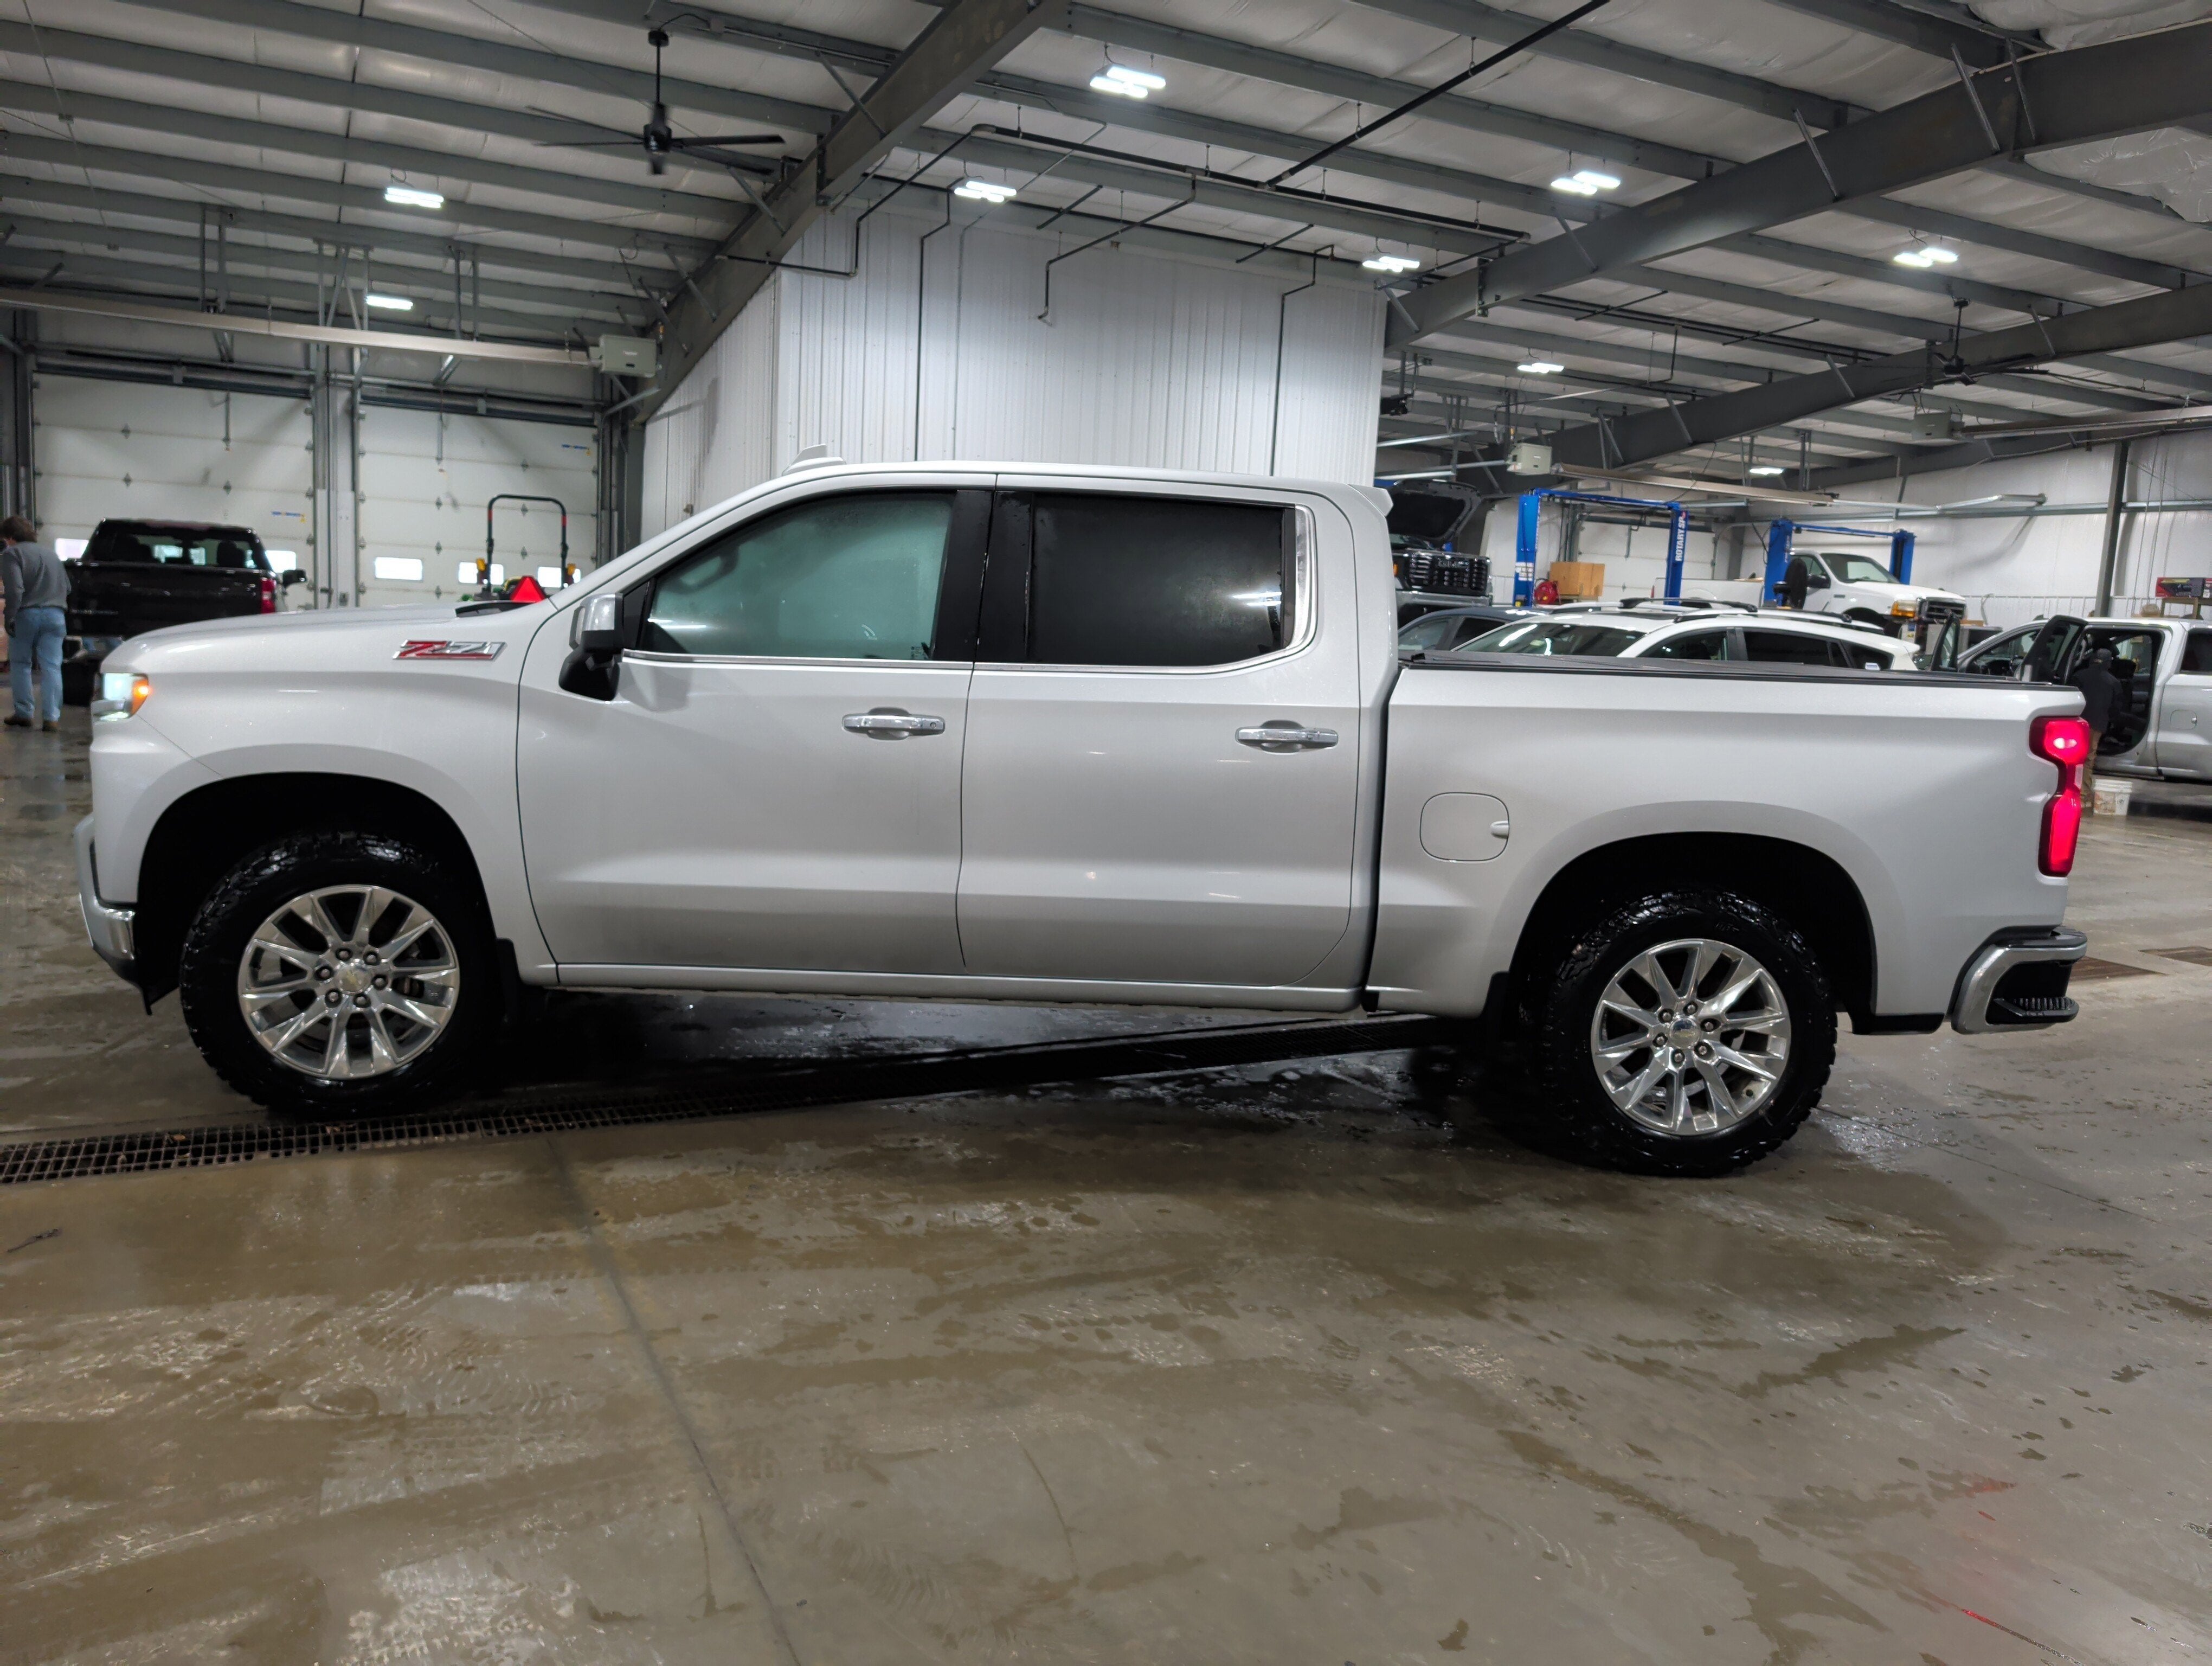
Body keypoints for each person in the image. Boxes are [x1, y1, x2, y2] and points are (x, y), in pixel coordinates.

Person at [1, 515, 69, 733]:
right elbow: (67, 587)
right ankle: (51, 718)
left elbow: (15, 589)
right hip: (56, 616)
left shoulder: (12, 553)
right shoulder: (51, 554)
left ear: (10, 537)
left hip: (27, 615)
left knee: (21, 664)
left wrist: (9, 616)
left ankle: (24, 714)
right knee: (52, 666)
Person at [2068, 645, 2121, 808]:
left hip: (2075, 722)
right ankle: (2083, 796)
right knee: (2088, 759)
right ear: (2109, 663)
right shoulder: (2113, 682)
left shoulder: (2078, 676)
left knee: (2070, 757)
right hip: (2096, 724)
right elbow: (2116, 708)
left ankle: (2067, 791)